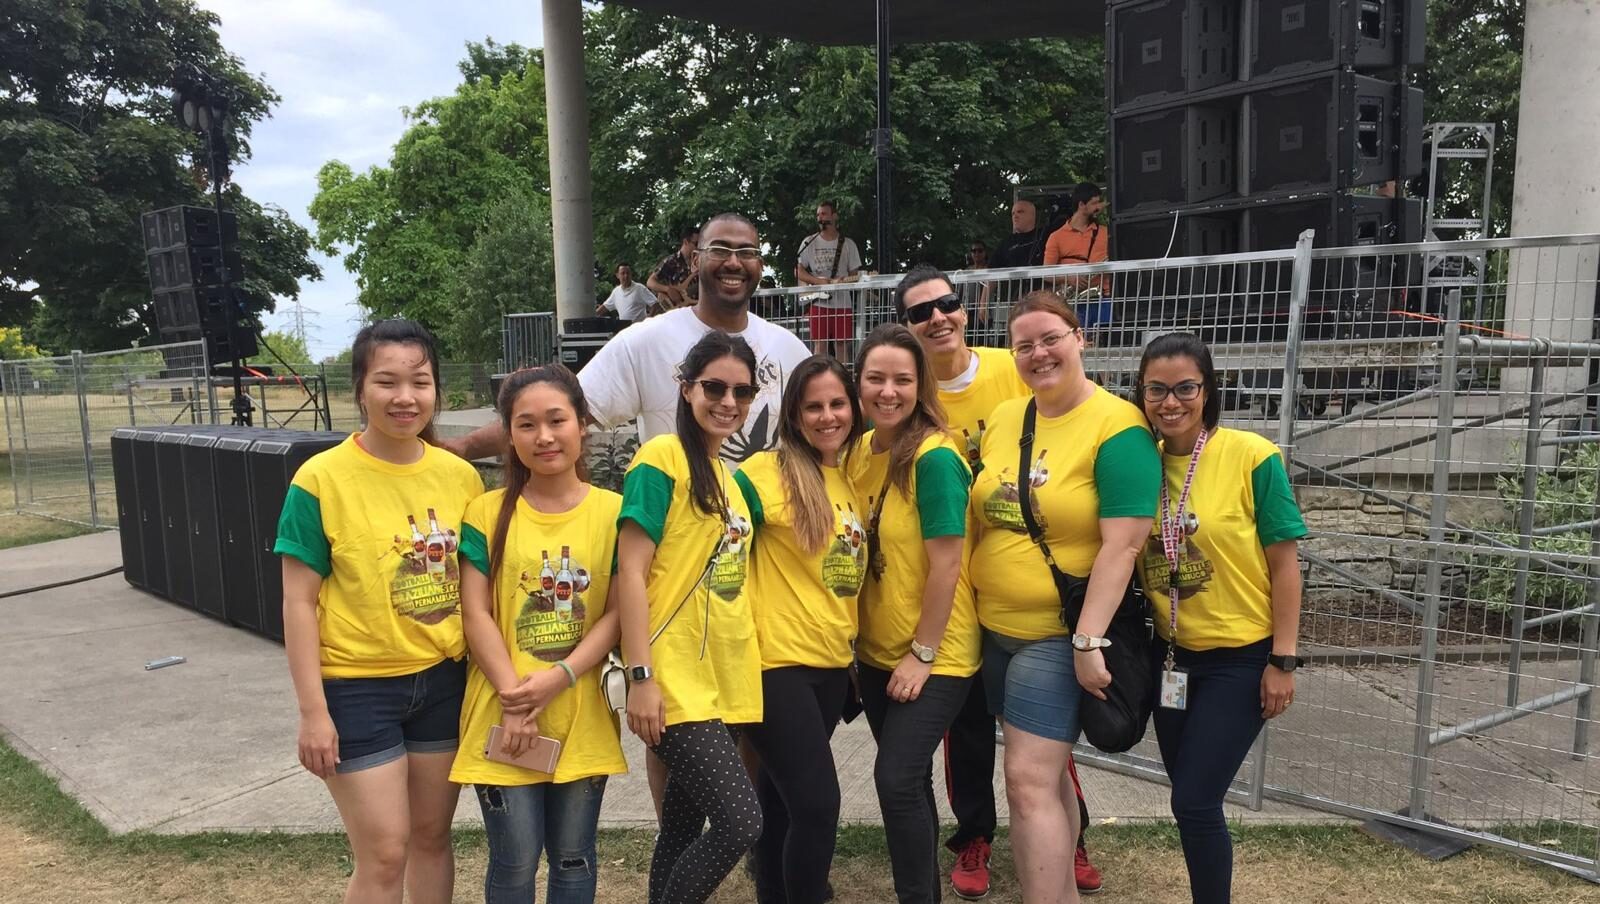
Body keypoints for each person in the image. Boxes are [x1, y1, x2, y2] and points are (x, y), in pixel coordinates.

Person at [894, 265, 1105, 899]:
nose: (937, 318)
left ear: (964, 310)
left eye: (947, 305)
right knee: (963, 732)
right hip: (956, 589)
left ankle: (1074, 840)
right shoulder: (907, 388)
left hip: (1027, 582)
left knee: (1041, 732)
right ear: (908, 327)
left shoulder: (1009, 369)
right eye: (920, 312)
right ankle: (976, 836)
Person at [276, 318, 485, 904]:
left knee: (431, 837)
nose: (405, 397)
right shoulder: (318, 480)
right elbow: (297, 601)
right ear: (359, 389)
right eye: (386, 382)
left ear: (437, 388)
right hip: (356, 688)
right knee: (385, 852)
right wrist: (312, 712)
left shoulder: (461, 478)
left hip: (445, 683)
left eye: (420, 381)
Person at [968, 291, 1160, 904]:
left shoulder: (1119, 425)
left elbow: (1123, 546)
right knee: (1043, 782)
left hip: (1057, 633)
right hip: (991, 628)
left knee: (1025, 781)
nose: (1037, 353)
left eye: (1050, 338)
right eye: (1023, 344)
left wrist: (1086, 640)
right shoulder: (1006, 418)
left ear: (1081, 338)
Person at [1134, 332, 1307, 904]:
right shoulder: (1140, 463)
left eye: (1185, 387)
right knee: (1187, 796)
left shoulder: (1252, 456)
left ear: (1207, 391)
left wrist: (1283, 659)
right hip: (1173, 659)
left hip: (1240, 659)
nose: (1170, 402)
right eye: (1156, 389)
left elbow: (1285, 566)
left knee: (1195, 799)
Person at [450, 365, 627, 904]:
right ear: (509, 435)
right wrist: (514, 698)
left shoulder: (616, 514)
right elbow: (474, 611)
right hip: (502, 714)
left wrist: (562, 676)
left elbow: (619, 613)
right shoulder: (485, 512)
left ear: (582, 424)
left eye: (557, 420)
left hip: (583, 715)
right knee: (515, 860)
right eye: (526, 425)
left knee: (574, 858)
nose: (544, 437)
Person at [440, 213, 812, 467]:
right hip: (674, 543)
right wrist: (464, 447)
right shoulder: (647, 342)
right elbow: (561, 414)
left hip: (762, 544)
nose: (734, 262)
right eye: (719, 250)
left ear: (760, 266)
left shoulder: (789, 350)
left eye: (747, 253)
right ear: (695, 262)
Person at [616, 330, 765, 904]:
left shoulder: (729, 477)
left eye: (742, 391)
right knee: (739, 823)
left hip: (720, 675)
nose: (729, 401)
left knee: (682, 826)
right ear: (685, 388)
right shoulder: (660, 458)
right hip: (671, 677)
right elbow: (630, 572)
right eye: (714, 387)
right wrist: (642, 677)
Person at [849, 323, 979, 904]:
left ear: (920, 385)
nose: (888, 390)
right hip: (876, 651)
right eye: (876, 378)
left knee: (895, 779)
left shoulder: (935, 457)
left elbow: (947, 564)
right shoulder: (859, 451)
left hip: (936, 653)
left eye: (903, 379)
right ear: (859, 384)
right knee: (910, 782)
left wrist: (922, 655)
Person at [732, 355, 867, 904]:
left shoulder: (849, 479)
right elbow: (715, 545)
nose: (827, 416)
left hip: (831, 665)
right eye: (813, 406)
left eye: (837, 403)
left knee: (782, 800)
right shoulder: (765, 473)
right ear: (793, 414)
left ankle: (773, 893)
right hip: (774, 665)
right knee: (818, 804)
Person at [795, 201, 863, 360]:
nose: (820, 218)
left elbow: (855, 275)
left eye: (824, 214)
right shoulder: (809, 242)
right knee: (820, 343)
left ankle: (842, 376)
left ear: (834, 216)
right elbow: (798, 270)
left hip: (842, 302)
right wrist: (818, 281)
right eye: (818, 215)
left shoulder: (847, 244)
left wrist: (844, 281)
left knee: (841, 343)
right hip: (818, 301)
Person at [978, 197, 1050, 346]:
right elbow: (992, 274)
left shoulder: (1045, 237)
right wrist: (983, 303)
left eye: (1020, 212)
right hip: (1013, 303)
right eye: (1013, 213)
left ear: (1032, 215)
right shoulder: (1007, 243)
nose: (1015, 216)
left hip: (1042, 302)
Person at [1043, 183, 1113, 333]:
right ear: (1081, 205)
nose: (1098, 207)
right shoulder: (1056, 237)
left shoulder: (1106, 233)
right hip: (1073, 302)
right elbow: (1046, 273)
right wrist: (1069, 278)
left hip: (1104, 299)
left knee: (1107, 345)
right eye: (1094, 203)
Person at [647, 225, 701, 314]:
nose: (699, 247)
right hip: (679, 312)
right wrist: (668, 289)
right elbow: (650, 282)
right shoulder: (671, 261)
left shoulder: (701, 261)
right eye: (696, 244)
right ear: (686, 242)